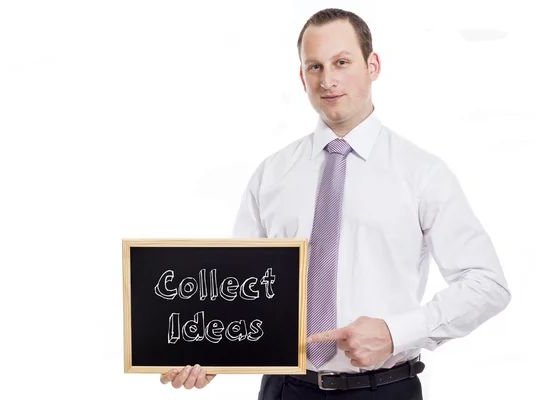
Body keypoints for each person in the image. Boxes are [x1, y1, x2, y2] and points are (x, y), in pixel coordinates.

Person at [160, 7, 511, 399]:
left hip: (384, 389)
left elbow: (487, 283)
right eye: (315, 66)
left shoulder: (422, 173)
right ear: (302, 76)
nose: (328, 80)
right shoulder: (271, 175)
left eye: (341, 62)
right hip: (284, 390)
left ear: (372, 65)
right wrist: (211, 354)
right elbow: (240, 293)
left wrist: (397, 333)